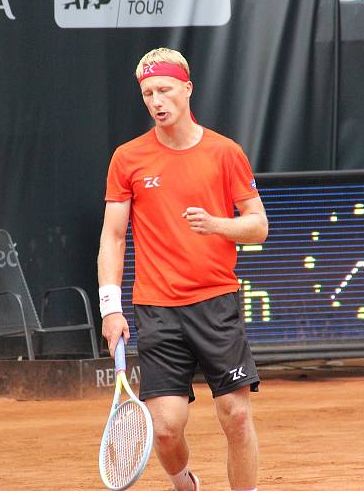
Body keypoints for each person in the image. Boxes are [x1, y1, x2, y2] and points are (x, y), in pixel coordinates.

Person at [97, 47, 267, 491]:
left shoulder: (225, 153)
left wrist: (216, 225)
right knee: (167, 427)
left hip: (216, 303)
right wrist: (109, 308)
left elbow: (258, 226)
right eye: (148, 93)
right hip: (156, 309)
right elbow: (113, 236)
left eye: (165, 89)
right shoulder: (127, 159)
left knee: (236, 413)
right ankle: (184, 484)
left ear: (187, 89)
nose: (156, 100)